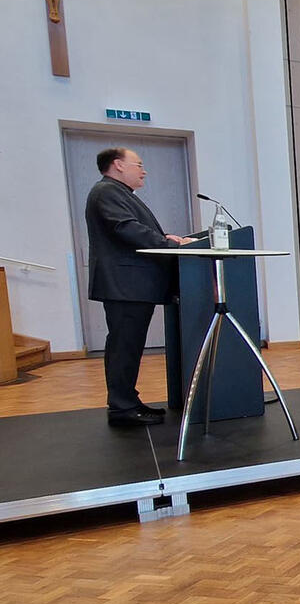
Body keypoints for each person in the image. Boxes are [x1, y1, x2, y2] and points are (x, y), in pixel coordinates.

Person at [85, 147, 193, 425]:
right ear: (118, 165)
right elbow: (126, 229)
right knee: (124, 346)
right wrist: (169, 244)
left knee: (128, 345)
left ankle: (128, 402)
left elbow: (133, 229)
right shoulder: (107, 192)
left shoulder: (119, 193)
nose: (144, 171)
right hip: (125, 285)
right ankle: (122, 408)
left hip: (130, 285)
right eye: (139, 164)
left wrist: (166, 237)